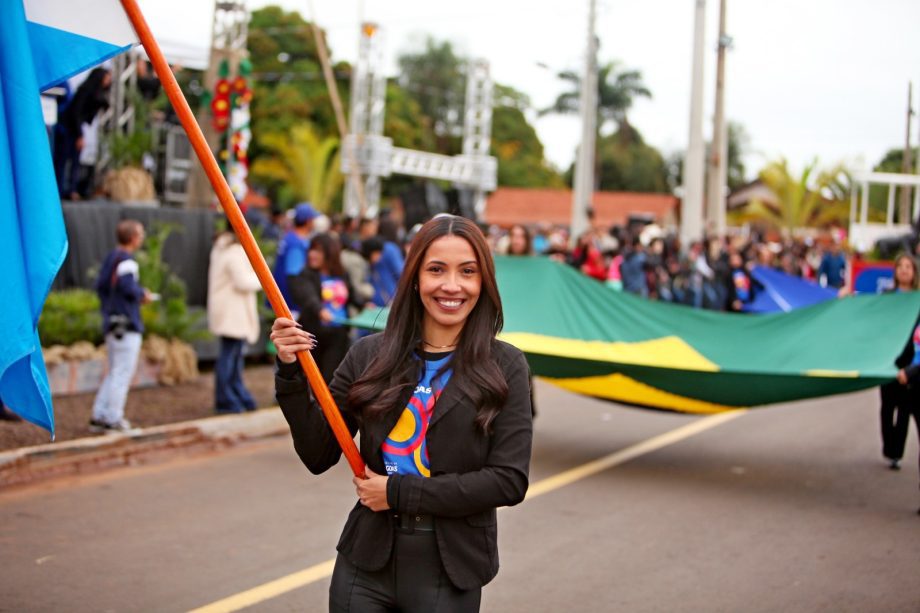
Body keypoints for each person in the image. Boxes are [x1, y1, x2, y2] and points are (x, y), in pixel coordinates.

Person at [271, 215, 533, 611]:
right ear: (414, 278)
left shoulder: (506, 366)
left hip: (450, 567)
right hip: (366, 561)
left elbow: (508, 481)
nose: (451, 285)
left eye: (467, 272)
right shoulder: (368, 355)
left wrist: (398, 492)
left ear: (483, 283)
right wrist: (290, 371)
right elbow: (317, 453)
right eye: (436, 270)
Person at [90, 220, 152, 433]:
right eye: (140, 234)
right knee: (122, 373)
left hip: (111, 323)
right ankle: (114, 417)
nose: (142, 238)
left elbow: (101, 286)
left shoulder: (111, 258)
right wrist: (142, 295)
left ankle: (99, 414)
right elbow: (128, 287)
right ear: (133, 238)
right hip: (126, 325)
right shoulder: (127, 261)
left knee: (114, 371)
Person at [289, 234, 366, 383]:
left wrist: (365, 305)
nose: (312, 254)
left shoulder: (341, 274)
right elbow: (307, 296)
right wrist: (320, 310)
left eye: (317, 251)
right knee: (314, 379)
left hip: (338, 335)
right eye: (311, 250)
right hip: (314, 336)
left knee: (333, 378)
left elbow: (352, 296)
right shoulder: (305, 275)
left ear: (329, 253)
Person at [207, 225, 263, 413]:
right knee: (231, 357)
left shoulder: (220, 246)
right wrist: (262, 277)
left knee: (231, 356)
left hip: (228, 310)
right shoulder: (234, 250)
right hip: (233, 312)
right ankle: (227, 399)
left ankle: (236, 396)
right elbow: (243, 281)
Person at [879, 254, 919, 470]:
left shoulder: (917, 300)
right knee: (887, 406)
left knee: (904, 408)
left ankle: (897, 453)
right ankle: (888, 446)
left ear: (914, 272)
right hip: (888, 358)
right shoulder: (887, 297)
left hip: (910, 360)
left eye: (908, 267)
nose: (904, 270)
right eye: (900, 266)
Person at [53, 67, 111, 200]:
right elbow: (75, 114)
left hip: (74, 128)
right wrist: (79, 135)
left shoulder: (95, 93)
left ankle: (71, 189)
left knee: (74, 160)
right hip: (68, 128)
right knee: (63, 161)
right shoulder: (85, 91)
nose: (108, 81)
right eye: (107, 78)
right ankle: (62, 190)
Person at [272, 202, 318, 318]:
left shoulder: (290, 237)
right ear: (308, 221)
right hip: (290, 304)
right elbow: (294, 277)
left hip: (281, 298)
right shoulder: (296, 244)